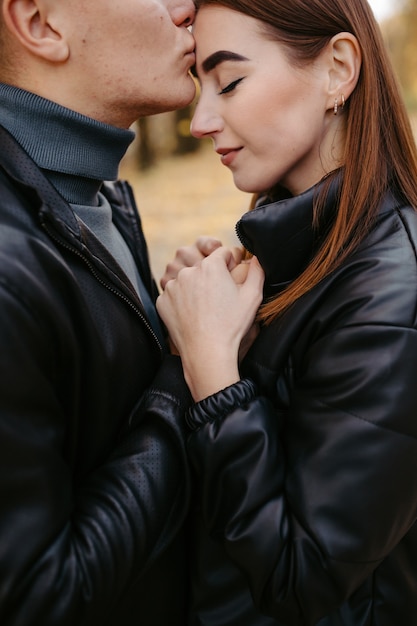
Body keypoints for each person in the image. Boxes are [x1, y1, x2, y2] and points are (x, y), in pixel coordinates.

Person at [156, 0, 417, 624]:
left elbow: (304, 581)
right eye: (200, 85)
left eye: (231, 81)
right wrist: (206, 327)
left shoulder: (392, 296)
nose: (200, 120)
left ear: (337, 69)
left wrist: (216, 373)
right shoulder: (296, 254)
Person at [0, 0, 210, 623]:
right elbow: (40, 596)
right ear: (40, 23)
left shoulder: (96, 197)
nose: (185, 7)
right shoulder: (9, 267)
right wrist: (188, 369)